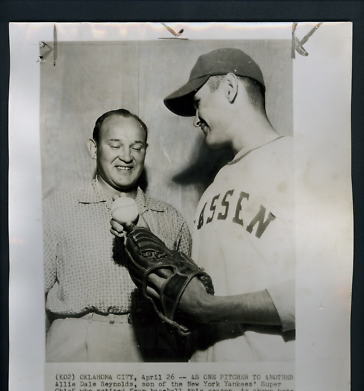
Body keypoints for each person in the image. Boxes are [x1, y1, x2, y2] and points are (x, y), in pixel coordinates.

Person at [147, 48, 295, 362]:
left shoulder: (302, 161)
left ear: (229, 88)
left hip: (266, 385)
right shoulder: (215, 187)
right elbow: (207, 292)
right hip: (209, 385)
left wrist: (208, 309)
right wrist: (178, 304)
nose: (195, 120)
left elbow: (324, 293)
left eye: (197, 103)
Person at [43, 108, 191, 362]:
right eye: (115, 145)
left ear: (146, 150)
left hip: (153, 347)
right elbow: (28, 295)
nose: (127, 156)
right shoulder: (59, 208)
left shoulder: (170, 217)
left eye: (136, 147)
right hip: (78, 345)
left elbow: (186, 302)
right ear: (94, 148)